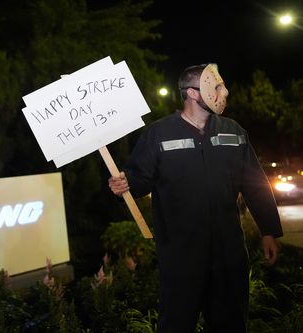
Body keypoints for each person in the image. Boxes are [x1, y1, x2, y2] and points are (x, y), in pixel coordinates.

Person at [108, 63, 282, 333]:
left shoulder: (234, 131)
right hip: (180, 254)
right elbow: (138, 179)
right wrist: (124, 186)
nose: (224, 91)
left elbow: (256, 184)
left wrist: (269, 230)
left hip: (229, 252)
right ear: (192, 93)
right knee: (177, 323)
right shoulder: (159, 134)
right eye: (216, 86)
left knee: (231, 323)